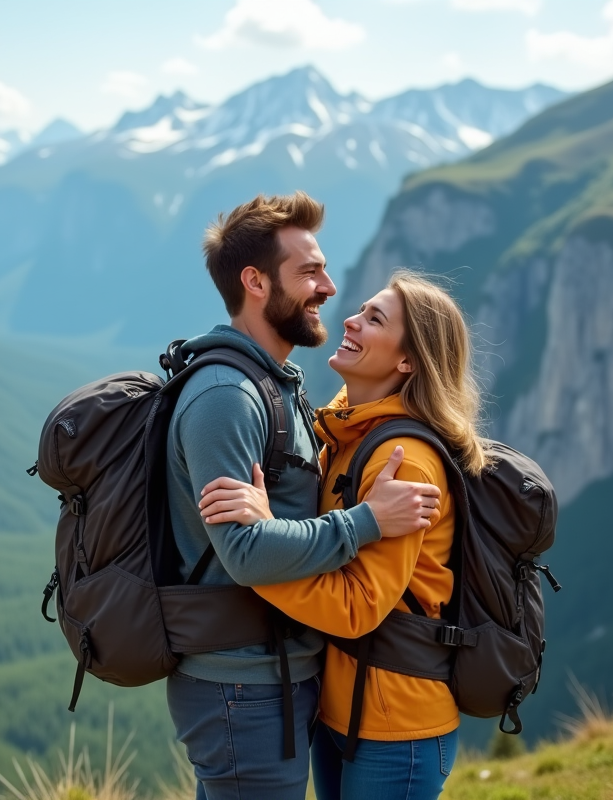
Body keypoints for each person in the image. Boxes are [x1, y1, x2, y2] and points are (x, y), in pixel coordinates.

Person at [166, 194, 443, 800]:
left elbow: (273, 534)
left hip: (279, 679)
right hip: (242, 685)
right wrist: (366, 521)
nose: (329, 287)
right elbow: (244, 554)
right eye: (309, 272)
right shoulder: (227, 397)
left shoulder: (281, 389)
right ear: (256, 281)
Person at [198, 271, 490, 800]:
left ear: (408, 362)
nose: (349, 321)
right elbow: (324, 547)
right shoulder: (345, 436)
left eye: (374, 319)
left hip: (396, 723)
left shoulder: (404, 465)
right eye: (360, 310)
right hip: (341, 707)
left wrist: (254, 555)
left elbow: (357, 607)